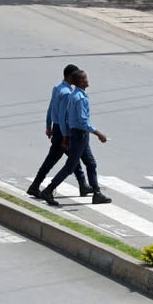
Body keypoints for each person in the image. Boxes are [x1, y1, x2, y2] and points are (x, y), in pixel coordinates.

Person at [40, 70, 112, 206]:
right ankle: (48, 190)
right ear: (80, 82)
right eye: (85, 79)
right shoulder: (79, 98)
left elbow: (65, 118)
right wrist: (99, 134)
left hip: (78, 135)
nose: (87, 80)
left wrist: (66, 136)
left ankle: (97, 193)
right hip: (80, 135)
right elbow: (83, 121)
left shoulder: (75, 95)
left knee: (91, 164)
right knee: (70, 166)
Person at [27, 64, 92, 198]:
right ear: (70, 77)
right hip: (63, 131)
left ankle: (83, 185)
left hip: (58, 129)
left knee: (74, 160)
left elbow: (51, 108)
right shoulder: (68, 93)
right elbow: (63, 117)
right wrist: (65, 136)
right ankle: (36, 186)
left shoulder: (57, 88)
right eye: (76, 75)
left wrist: (48, 126)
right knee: (53, 161)